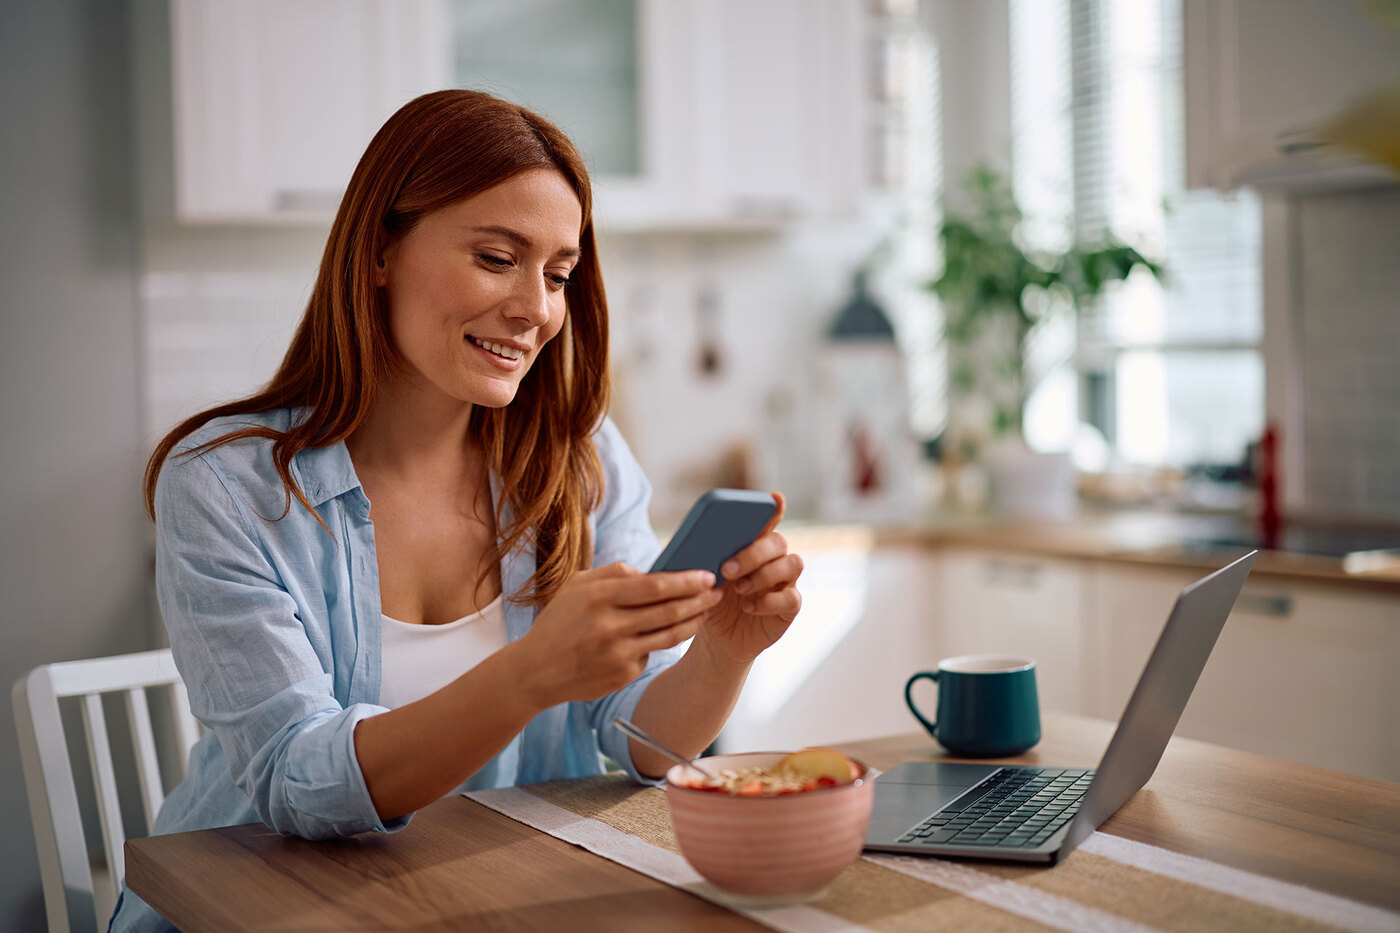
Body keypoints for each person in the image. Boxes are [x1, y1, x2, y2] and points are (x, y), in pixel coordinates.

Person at [110, 89, 804, 932]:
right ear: (378, 251)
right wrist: (532, 671)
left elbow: (639, 742)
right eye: (496, 257)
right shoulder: (227, 483)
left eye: (557, 274)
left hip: (485, 900)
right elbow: (296, 779)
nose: (537, 309)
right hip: (250, 909)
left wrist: (723, 655)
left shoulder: (577, 462)